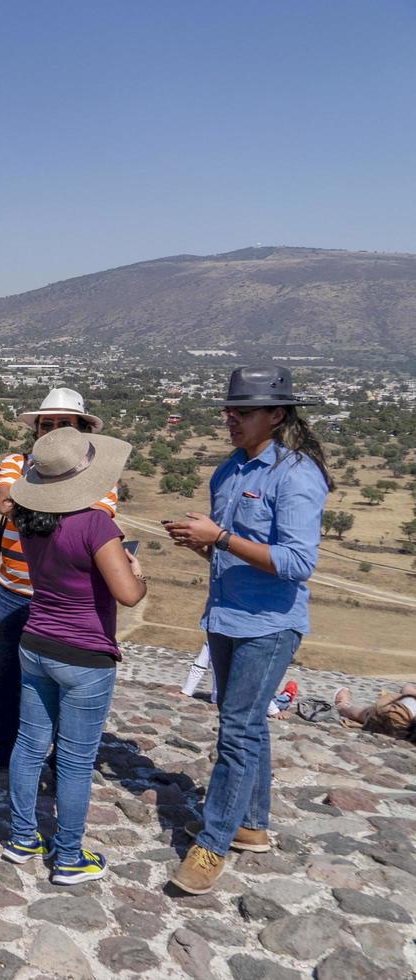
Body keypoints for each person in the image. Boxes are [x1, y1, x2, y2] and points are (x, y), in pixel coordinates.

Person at [166, 365, 331, 895]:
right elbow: (230, 544)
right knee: (245, 723)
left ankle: (212, 844)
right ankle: (252, 825)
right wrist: (204, 542)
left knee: (236, 729)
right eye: (229, 409)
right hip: (226, 616)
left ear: (276, 415)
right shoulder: (229, 471)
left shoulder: (296, 474)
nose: (230, 418)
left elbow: (298, 561)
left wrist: (221, 539)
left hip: (268, 624)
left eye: (243, 411)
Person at [0, 427, 145, 885]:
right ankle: (68, 856)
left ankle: (22, 837)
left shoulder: (27, 519)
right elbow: (127, 594)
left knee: (28, 744)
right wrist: (137, 571)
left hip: (35, 642)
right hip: (85, 653)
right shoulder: (96, 525)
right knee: (77, 760)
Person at [0, 387, 118, 768]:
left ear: (81, 431)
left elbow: (98, 518)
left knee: (67, 689)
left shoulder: (101, 478)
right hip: (15, 591)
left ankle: (63, 761)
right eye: (48, 424)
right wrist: (63, 492)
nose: (53, 430)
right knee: (4, 678)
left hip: (68, 602)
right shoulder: (16, 462)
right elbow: (5, 501)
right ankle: (1, 750)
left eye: (63, 424)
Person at [334, 685, 416, 742]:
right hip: (403, 717)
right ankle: (343, 706)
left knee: (365, 713)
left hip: (400, 716)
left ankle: (342, 705)